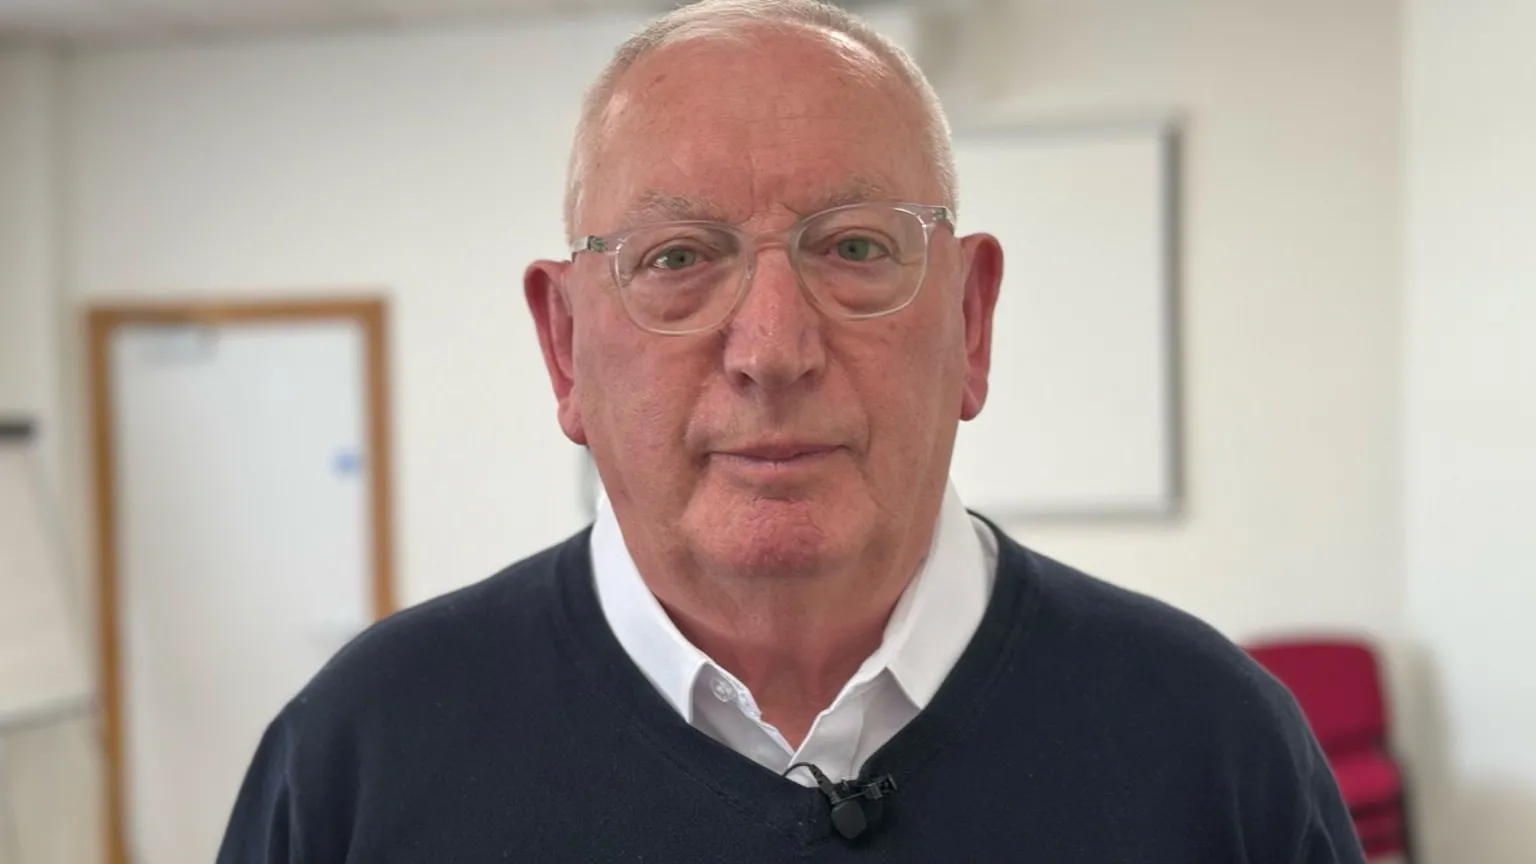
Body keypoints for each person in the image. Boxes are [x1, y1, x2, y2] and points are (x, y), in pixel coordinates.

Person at [219, 1, 1364, 861]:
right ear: (565, 346)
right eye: (677, 259)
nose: (773, 347)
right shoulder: (360, 762)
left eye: (855, 248)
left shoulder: (1213, 751)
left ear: (970, 320)